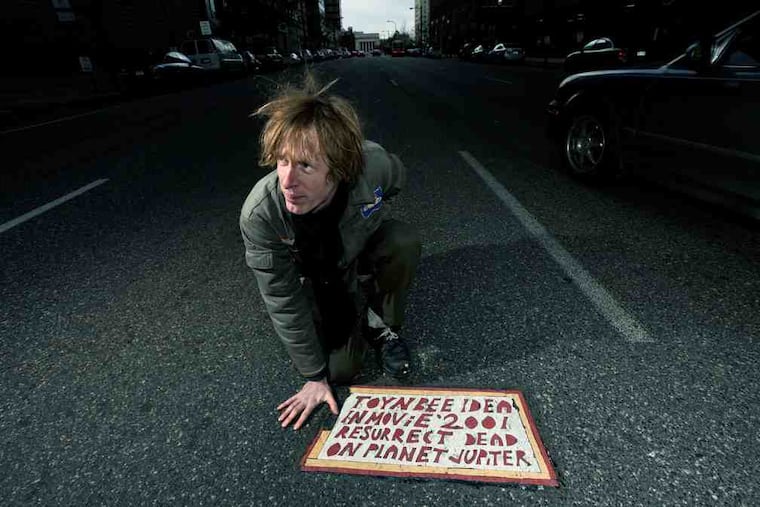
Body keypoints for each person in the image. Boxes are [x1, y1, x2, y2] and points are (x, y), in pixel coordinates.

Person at [240, 76, 421, 430]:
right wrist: (313, 375)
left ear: (338, 169)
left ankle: (384, 329)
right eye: (282, 161)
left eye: (305, 166)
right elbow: (282, 298)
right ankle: (353, 310)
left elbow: (398, 178)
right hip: (317, 278)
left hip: (356, 252)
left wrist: (372, 210)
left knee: (402, 241)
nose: (288, 181)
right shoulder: (261, 214)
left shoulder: (373, 166)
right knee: (342, 371)